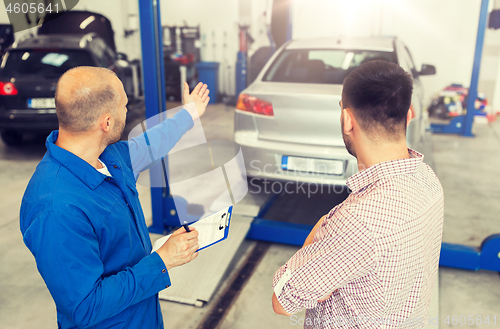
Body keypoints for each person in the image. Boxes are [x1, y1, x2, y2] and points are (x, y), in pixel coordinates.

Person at [20, 66, 210, 329]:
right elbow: (84, 307)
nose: (127, 111)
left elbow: (151, 144)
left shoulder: (109, 156)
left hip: (142, 316)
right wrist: (162, 261)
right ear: (106, 122)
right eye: (124, 105)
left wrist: (189, 113)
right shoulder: (55, 208)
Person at [271, 60, 444, 328]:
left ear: (347, 120)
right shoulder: (429, 180)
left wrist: (325, 229)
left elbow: (283, 301)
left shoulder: (356, 221)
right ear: (409, 115)